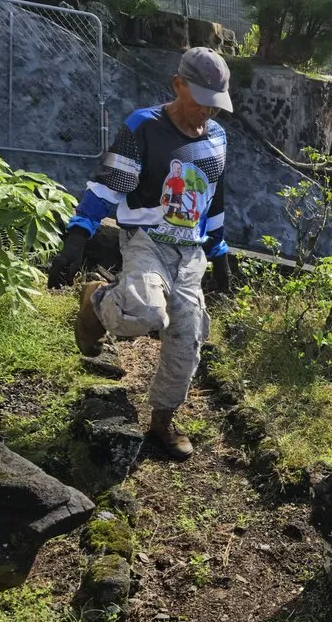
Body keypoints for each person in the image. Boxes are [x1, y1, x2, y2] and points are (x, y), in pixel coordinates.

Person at [48, 46, 235, 461]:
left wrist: (219, 250)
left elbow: (214, 199)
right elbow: (107, 186)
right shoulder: (144, 127)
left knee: (189, 338)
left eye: (215, 106)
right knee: (146, 313)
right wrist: (78, 234)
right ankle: (97, 300)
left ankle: (162, 423)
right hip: (146, 241)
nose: (208, 113)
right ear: (178, 85)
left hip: (189, 254)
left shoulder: (218, 139)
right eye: (201, 102)